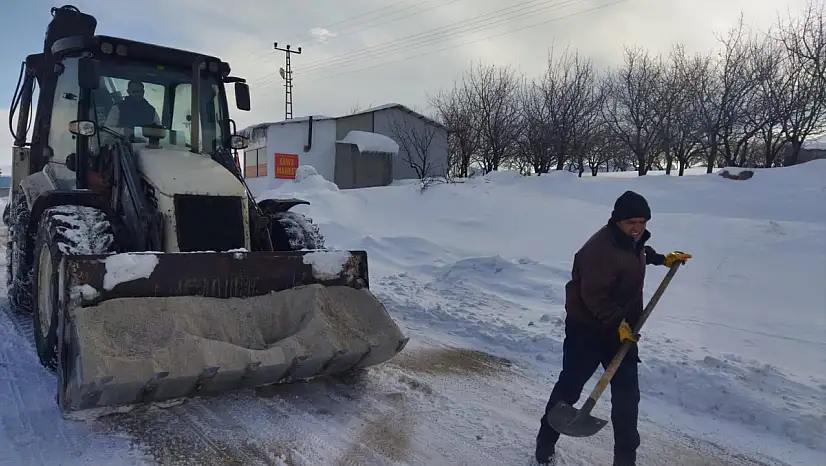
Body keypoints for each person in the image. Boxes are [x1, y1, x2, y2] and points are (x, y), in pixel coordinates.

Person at [535, 190, 691, 466]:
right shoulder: (597, 251)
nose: (637, 228)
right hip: (588, 329)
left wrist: (662, 259)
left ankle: (625, 460)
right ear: (617, 220)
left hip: (623, 330)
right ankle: (545, 441)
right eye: (632, 222)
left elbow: (638, 253)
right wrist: (618, 323)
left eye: (642, 222)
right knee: (570, 388)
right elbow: (594, 295)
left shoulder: (634, 241)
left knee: (627, 400)